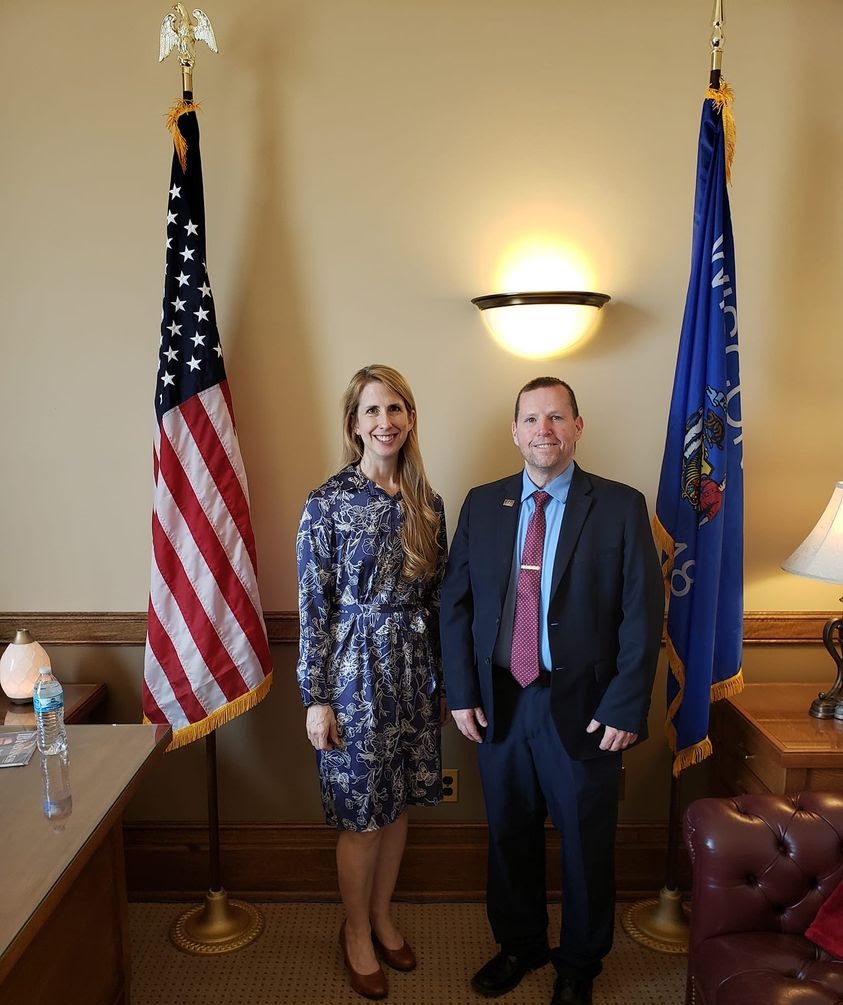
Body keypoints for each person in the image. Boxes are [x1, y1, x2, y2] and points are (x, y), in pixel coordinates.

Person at [439, 377, 663, 1005]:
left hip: (588, 710)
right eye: (532, 419)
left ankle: (579, 964)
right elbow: (454, 606)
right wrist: (461, 691)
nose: (545, 431)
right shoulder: (482, 505)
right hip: (501, 702)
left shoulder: (620, 506)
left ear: (578, 427)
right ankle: (520, 945)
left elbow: (642, 617)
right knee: (509, 834)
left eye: (557, 418)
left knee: (587, 845)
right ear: (515, 431)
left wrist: (625, 704)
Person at [296, 364, 447, 1001]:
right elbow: (313, 605)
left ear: (410, 419)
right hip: (354, 675)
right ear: (355, 425)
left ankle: (384, 916)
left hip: (414, 673)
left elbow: (440, 601)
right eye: (372, 412)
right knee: (361, 816)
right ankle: (355, 929)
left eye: (396, 410)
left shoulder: (428, 503)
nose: (385, 422)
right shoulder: (326, 503)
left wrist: (443, 684)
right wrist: (316, 698)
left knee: (398, 803)